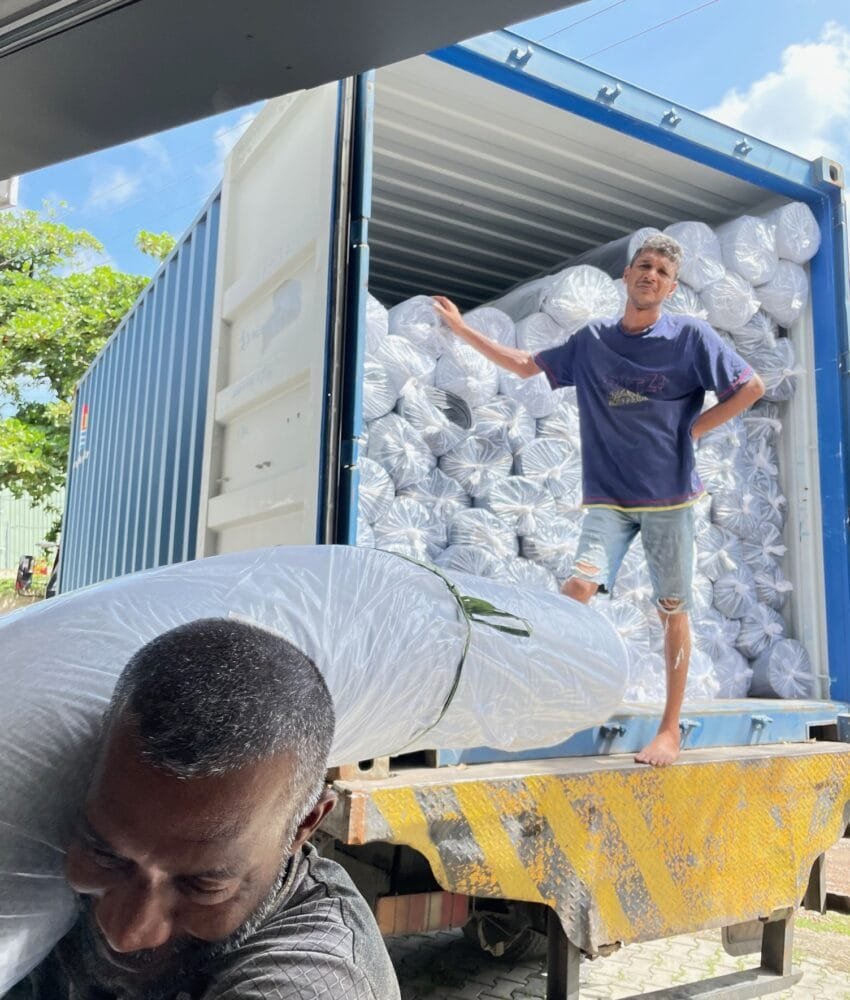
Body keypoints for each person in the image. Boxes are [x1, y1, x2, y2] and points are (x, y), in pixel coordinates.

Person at [433, 235, 765, 767]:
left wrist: (694, 432)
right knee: (577, 587)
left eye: (661, 270)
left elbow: (750, 386)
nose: (650, 275)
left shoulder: (690, 338)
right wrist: (463, 328)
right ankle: (546, 699)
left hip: (669, 501)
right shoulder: (591, 342)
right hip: (609, 499)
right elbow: (524, 365)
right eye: (643, 266)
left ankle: (669, 730)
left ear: (671, 286)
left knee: (671, 610)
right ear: (627, 276)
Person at [14, 618, 401, 1000]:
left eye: (202, 885)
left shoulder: (312, 976)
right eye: (105, 856)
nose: (126, 933)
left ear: (303, 825)